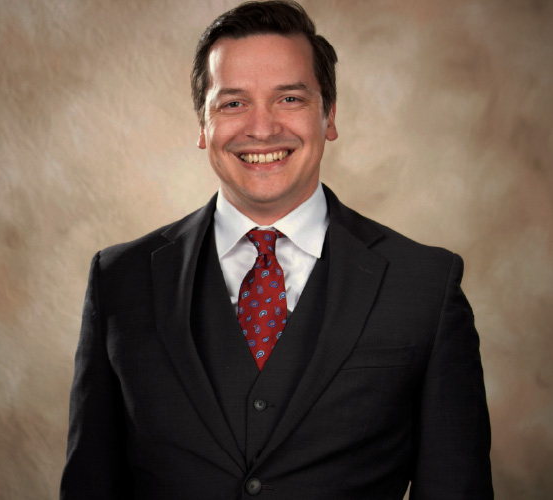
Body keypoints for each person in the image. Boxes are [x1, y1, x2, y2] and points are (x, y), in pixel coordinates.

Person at [60, 1, 493, 498]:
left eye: (289, 99)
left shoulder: (424, 286)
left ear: (329, 115)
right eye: (233, 103)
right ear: (202, 125)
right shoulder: (119, 280)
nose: (262, 129)